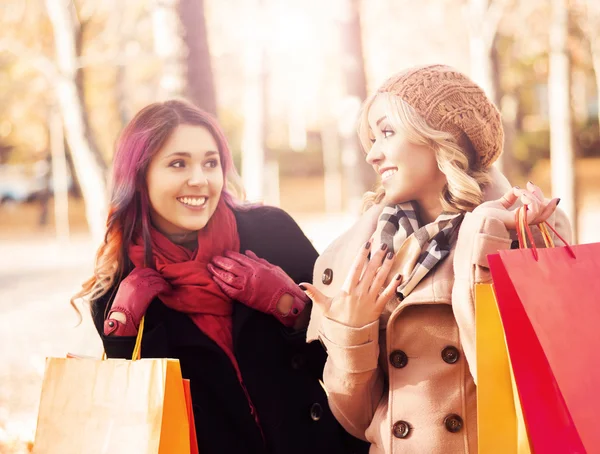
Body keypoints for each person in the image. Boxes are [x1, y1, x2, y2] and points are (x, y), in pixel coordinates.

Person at [302, 64, 572, 454]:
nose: (373, 155)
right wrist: (353, 334)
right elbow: (357, 422)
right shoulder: (362, 254)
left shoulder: (523, 226)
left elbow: (520, 390)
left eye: (387, 133)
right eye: (371, 139)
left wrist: (483, 241)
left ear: (443, 137)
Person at [73, 99, 368, 454]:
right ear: (139, 176)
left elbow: (352, 363)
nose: (200, 180)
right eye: (178, 163)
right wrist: (123, 335)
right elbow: (136, 423)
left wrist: (294, 309)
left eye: (210, 163)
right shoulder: (117, 288)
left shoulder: (272, 232)